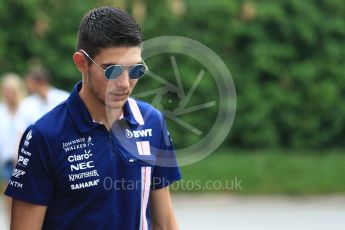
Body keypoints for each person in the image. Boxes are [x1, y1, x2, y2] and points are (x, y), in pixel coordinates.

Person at [5, 6, 182, 230]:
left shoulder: (151, 121)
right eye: (112, 71)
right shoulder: (44, 136)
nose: (125, 83)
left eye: (135, 70)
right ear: (81, 62)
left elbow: (164, 222)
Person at [0, 73, 26, 222]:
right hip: (8, 160)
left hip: (25, 160)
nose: (9, 94)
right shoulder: (2, 111)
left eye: (12, 91)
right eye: (6, 91)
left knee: (23, 199)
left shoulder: (26, 107)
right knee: (8, 197)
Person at [15, 67, 69, 136]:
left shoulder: (64, 98)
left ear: (38, 82)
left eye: (29, 82)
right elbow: (21, 131)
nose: (27, 85)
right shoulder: (26, 104)